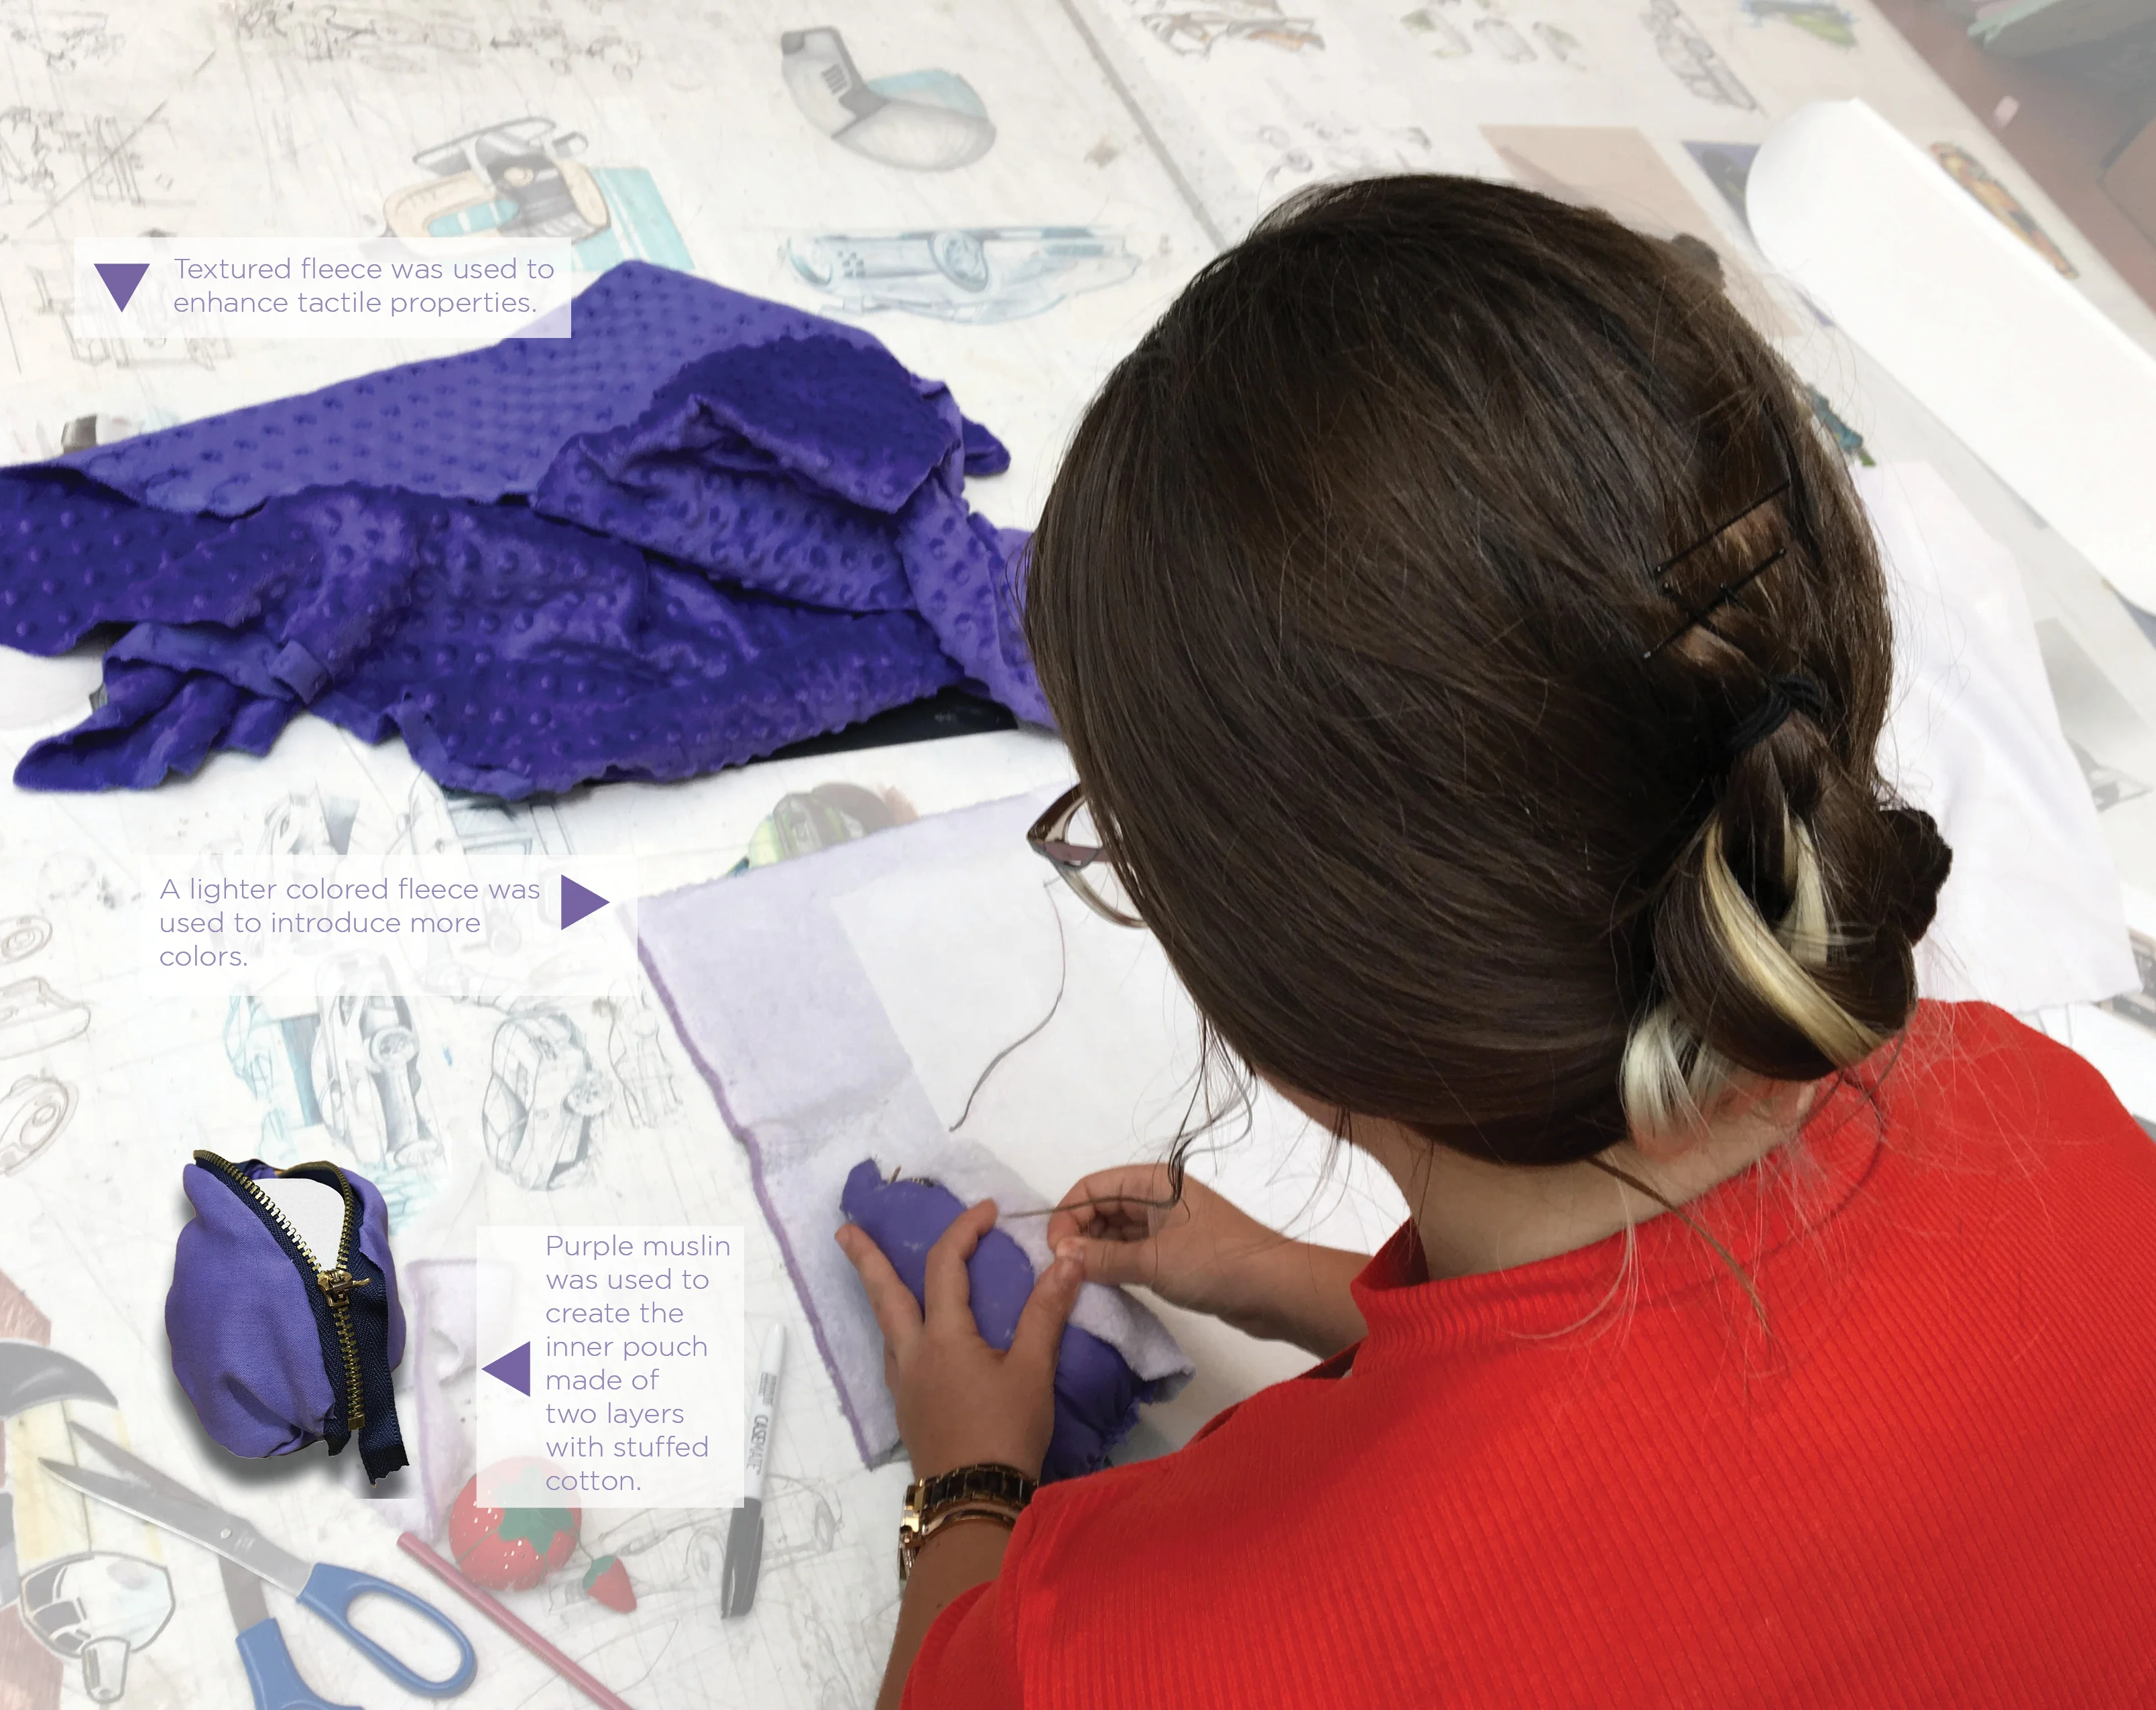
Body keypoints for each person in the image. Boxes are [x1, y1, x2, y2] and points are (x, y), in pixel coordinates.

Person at [834, 174, 2156, 1707]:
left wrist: (972, 1484)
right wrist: (1287, 1279)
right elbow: (1671, 1400)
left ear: (1269, 987)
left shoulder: (1142, 1650)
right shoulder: (2045, 1113)